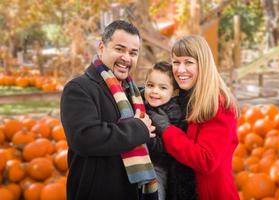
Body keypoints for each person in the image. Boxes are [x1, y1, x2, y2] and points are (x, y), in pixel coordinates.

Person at [60, 20, 158, 200]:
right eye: (119, 49)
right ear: (101, 48)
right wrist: (139, 129)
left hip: (134, 192)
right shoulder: (79, 88)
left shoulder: (134, 93)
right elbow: (85, 138)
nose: (126, 58)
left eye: (133, 53)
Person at [148, 35, 240, 200]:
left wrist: (167, 129)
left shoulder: (218, 104)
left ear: (203, 65)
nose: (180, 70)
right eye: (176, 62)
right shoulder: (183, 99)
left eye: (188, 62)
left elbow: (206, 160)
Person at [143, 61, 197, 200]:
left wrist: (145, 137)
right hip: (141, 161)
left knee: (155, 192)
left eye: (162, 88)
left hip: (159, 164)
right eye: (150, 85)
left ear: (173, 92)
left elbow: (167, 146)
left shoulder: (173, 113)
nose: (154, 91)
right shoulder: (142, 102)